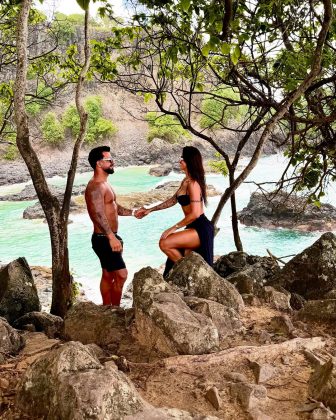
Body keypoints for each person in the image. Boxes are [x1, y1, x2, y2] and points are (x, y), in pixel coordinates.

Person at [136, 146, 214, 277]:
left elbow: (195, 214)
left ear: (189, 161)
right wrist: (150, 209)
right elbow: (173, 200)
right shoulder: (185, 181)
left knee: (165, 243)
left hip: (201, 228)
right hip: (192, 227)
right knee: (181, 254)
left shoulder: (193, 184)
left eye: (182, 159)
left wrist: (172, 228)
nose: (180, 161)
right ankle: (187, 275)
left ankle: (187, 275)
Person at [85, 146, 136, 306]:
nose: (112, 162)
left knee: (108, 275)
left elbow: (114, 208)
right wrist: (111, 237)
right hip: (103, 238)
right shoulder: (95, 186)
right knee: (122, 275)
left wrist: (134, 212)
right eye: (108, 160)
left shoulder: (105, 184)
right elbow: (97, 214)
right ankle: (115, 309)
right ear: (99, 164)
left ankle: (107, 308)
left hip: (108, 237)